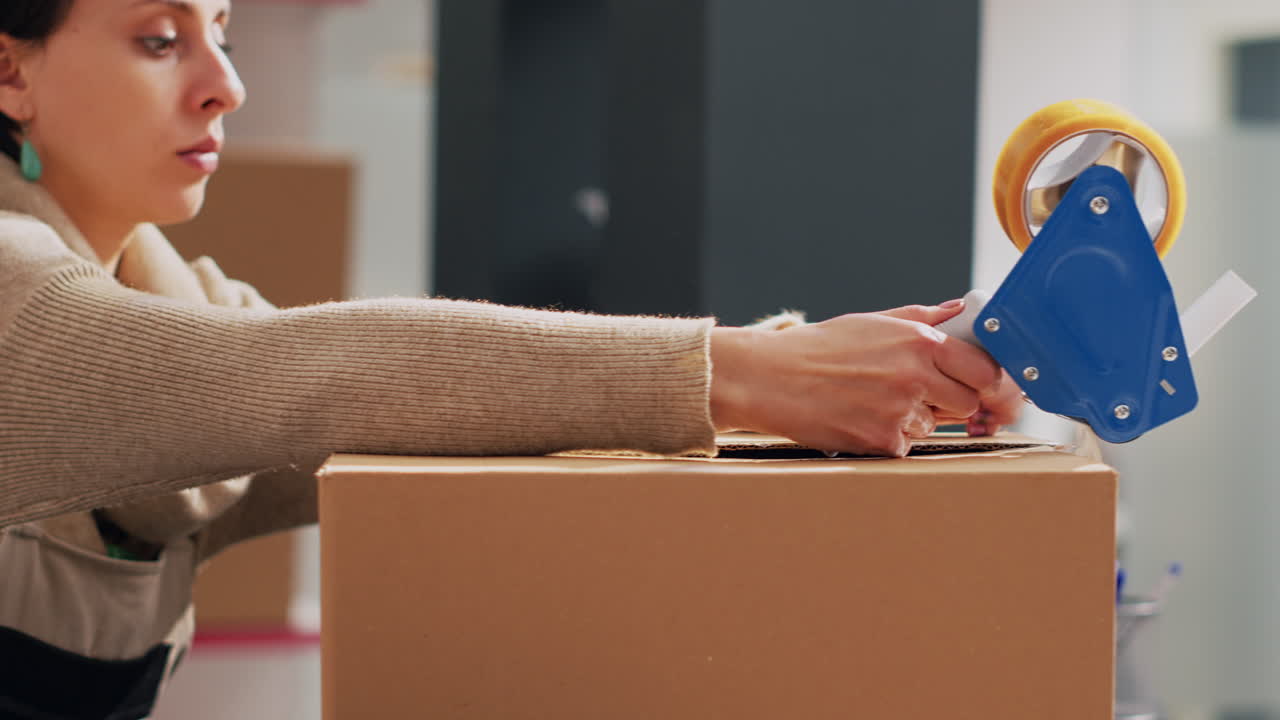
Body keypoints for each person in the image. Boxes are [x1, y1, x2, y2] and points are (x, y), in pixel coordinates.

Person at [0, 0, 1021, 716]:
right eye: (159, 39)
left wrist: (840, 371)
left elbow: (419, 411)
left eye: (221, 33)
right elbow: (316, 374)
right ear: (11, 70)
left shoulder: (172, 299)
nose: (225, 84)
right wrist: (760, 373)